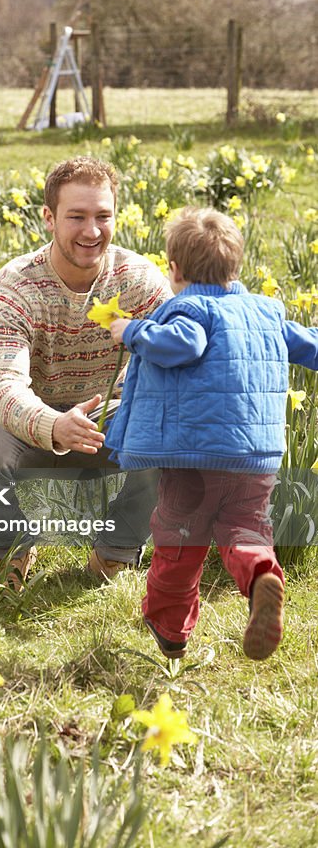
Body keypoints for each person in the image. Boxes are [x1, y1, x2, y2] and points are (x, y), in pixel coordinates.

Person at [106, 206, 318, 660]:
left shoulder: (189, 308)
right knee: (246, 528)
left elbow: (183, 344)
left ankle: (171, 629)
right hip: (255, 458)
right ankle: (261, 573)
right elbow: (310, 346)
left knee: (179, 541)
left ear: (175, 269)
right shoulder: (268, 312)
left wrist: (132, 330)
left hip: (193, 461)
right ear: (235, 267)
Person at [0, 156, 172, 587]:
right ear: (49, 218)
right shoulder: (14, 285)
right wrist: (54, 425)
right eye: (77, 217)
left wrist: (122, 404)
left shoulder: (140, 281)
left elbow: (171, 368)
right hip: (24, 424)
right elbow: (4, 384)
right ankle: (10, 553)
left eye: (102, 216)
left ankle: (113, 555)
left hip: (107, 421)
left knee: (169, 432)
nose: (92, 231)